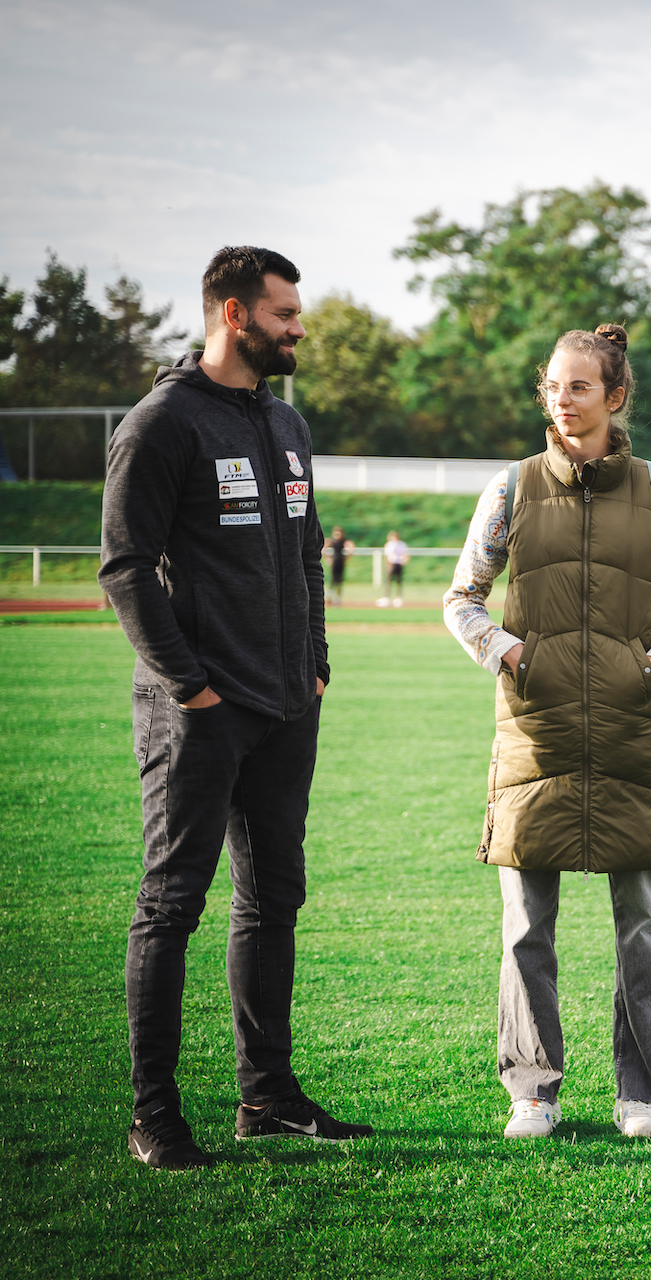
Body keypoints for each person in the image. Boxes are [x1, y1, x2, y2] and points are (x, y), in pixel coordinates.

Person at [100, 245, 371, 1170]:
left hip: (289, 703)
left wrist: (317, 665)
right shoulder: (161, 423)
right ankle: (156, 1114)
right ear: (233, 314)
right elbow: (125, 569)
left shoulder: (285, 423)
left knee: (274, 898)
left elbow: (306, 555)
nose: (300, 328)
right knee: (173, 904)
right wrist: (189, 684)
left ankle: (268, 1097)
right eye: (286, 314)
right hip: (200, 710)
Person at [443, 323, 651, 1141]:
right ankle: (533, 1090)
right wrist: (510, 654)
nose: (562, 401)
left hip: (634, 730)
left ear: (615, 395)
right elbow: (462, 596)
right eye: (553, 387)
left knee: (641, 923)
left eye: (580, 387)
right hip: (536, 735)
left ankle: (642, 1094)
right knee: (527, 924)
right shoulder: (511, 488)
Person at [378, 530, 410, 607]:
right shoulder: (389, 545)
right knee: (388, 581)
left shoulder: (401, 544)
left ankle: (398, 598)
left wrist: (404, 561)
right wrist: (387, 564)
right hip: (391, 563)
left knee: (398, 581)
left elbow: (406, 554)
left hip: (399, 563)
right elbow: (387, 555)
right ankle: (387, 597)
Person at [324, 526, 354, 607]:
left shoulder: (344, 540)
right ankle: (329, 598)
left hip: (341, 561)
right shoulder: (332, 540)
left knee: (340, 581)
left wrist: (347, 557)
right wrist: (328, 558)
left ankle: (337, 599)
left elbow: (351, 548)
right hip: (335, 561)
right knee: (332, 580)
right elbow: (324, 548)